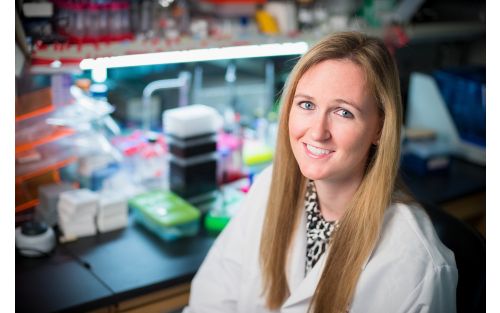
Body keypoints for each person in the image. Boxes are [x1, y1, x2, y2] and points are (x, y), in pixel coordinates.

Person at [183, 32, 458, 313]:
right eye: (307, 105)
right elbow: (211, 299)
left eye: (343, 112)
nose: (317, 132)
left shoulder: (416, 265)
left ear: (379, 128)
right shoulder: (268, 188)